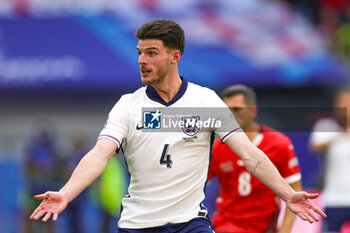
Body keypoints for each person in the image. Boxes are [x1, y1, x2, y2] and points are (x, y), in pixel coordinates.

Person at [30, 19, 326, 233]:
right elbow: (99, 155)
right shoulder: (127, 105)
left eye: (151, 53)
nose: (142, 61)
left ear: (175, 57)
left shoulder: (206, 101)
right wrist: (66, 194)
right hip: (139, 224)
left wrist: (288, 195)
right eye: (139, 53)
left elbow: (250, 155)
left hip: (191, 223)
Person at [207, 85, 302, 233]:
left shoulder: (279, 144)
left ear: (253, 110)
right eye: (227, 111)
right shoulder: (217, 147)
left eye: (237, 109)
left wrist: (284, 231)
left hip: (264, 227)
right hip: (226, 226)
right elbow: (196, 185)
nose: (231, 115)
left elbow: (295, 192)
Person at [310, 86, 350, 233]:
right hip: (334, 198)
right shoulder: (326, 126)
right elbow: (315, 146)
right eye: (342, 102)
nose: (345, 106)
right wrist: (340, 135)